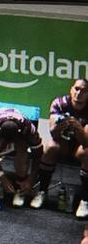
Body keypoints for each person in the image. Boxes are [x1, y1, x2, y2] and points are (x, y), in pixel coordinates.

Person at [30, 79, 88, 217]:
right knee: (50, 146)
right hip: (63, 143)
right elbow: (53, 133)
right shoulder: (60, 103)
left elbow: (86, 141)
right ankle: (42, 191)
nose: (78, 94)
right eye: (76, 89)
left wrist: (77, 127)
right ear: (71, 89)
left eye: (84, 91)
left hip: (81, 146)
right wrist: (61, 125)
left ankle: (85, 200)